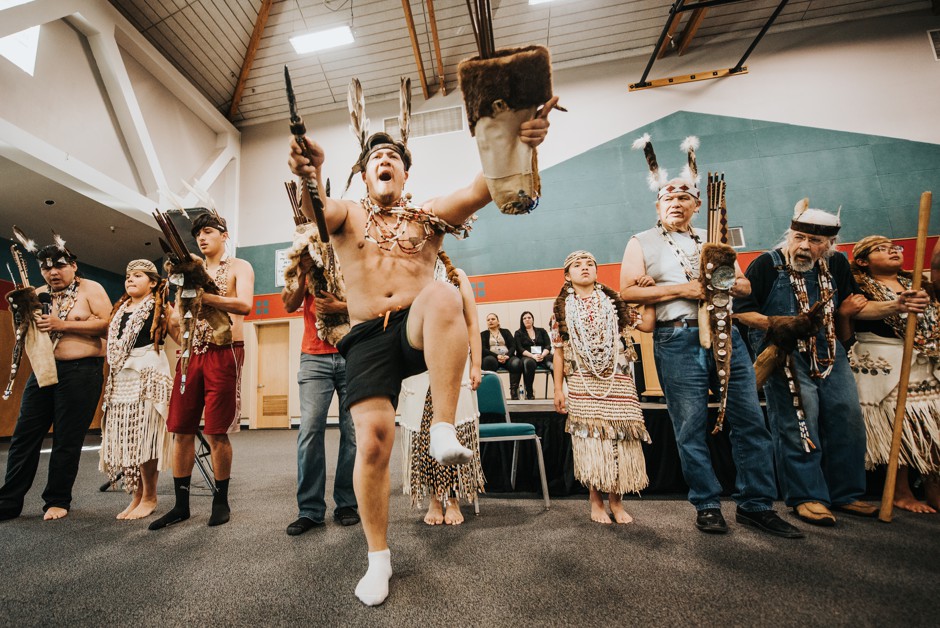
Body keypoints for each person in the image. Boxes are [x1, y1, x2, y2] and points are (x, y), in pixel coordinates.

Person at [288, 78, 554, 605]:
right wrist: (310, 172)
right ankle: (378, 560)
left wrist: (519, 140)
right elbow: (314, 213)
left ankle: (441, 429)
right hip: (365, 338)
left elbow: (486, 187)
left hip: (414, 327)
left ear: (406, 172)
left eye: (393, 157)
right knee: (374, 441)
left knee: (440, 294)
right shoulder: (346, 212)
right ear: (364, 174)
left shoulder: (428, 215)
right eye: (375, 157)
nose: (384, 161)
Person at [620, 134, 802, 538]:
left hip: (726, 335)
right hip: (677, 337)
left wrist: (723, 283)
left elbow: (744, 288)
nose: (676, 203)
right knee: (689, 425)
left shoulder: (714, 240)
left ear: (697, 205)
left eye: (684, 198)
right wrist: (682, 290)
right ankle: (706, 504)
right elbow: (629, 291)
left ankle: (756, 504)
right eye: (668, 199)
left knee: (750, 420)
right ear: (658, 206)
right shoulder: (642, 241)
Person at [734, 201, 926, 526]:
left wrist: (898, 305)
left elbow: (855, 310)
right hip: (784, 351)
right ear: (789, 235)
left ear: (830, 245)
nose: (804, 246)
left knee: (846, 416)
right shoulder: (766, 264)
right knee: (800, 419)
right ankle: (806, 496)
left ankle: (845, 493)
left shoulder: (837, 264)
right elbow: (742, 311)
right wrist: (777, 324)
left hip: (829, 350)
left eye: (814, 241)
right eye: (798, 237)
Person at [149, 212, 255, 530]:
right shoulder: (187, 272)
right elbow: (181, 317)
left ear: (224, 234)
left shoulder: (239, 267)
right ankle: (181, 505)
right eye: (198, 235)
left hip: (224, 352)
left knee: (216, 431)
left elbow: (245, 306)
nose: (203, 238)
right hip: (191, 352)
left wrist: (206, 297)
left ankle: (220, 500)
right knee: (181, 430)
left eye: (209, 231)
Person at [0, 235, 110, 521]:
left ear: (72, 265)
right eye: (47, 268)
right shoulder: (37, 294)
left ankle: (57, 499)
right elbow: (26, 336)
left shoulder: (91, 289)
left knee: (67, 438)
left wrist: (63, 325)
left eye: (59, 266)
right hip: (44, 370)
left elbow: (110, 326)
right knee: (24, 437)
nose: (53, 272)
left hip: (81, 371)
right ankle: (8, 501)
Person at [552, 250, 650, 524]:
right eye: (577, 265)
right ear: (567, 275)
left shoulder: (615, 305)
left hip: (617, 380)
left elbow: (649, 324)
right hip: (583, 382)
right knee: (592, 440)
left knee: (620, 437)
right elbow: (558, 352)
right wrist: (558, 390)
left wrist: (649, 292)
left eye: (590, 264)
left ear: (597, 271)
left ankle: (616, 502)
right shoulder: (561, 310)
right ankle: (596, 501)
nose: (585, 268)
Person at [847, 236, 937, 512]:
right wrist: (898, 304)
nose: (892, 252)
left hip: (923, 360)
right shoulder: (858, 287)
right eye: (881, 249)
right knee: (897, 429)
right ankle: (900, 491)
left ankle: (934, 488)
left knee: (931, 429)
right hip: (882, 363)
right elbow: (861, 311)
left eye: (895, 248)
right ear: (863, 261)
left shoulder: (919, 284)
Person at [281, 229, 359, 535]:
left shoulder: (352, 252)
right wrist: (304, 270)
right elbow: (288, 304)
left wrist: (341, 307)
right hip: (313, 355)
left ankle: (347, 502)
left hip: (352, 350)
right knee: (310, 429)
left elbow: (373, 300)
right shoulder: (304, 253)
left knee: (352, 432)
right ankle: (310, 509)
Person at [399, 251, 484, 526]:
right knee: (425, 434)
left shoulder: (456, 276)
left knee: (455, 429)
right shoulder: (405, 277)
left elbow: (471, 322)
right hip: (418, 367)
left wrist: (476, 365)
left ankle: (454, 498)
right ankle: (435, 498)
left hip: (453, 362)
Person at [98, 260, 173, 520]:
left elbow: (178, 332)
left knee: (144, 437)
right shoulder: (119, 309)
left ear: (153, 282)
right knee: (127, 437)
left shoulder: (160, 306)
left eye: (138, 276)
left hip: (148, 373)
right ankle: (136, 496)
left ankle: (150, 495)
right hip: (121, 377)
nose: (130, 279)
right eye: (128, 276)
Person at [481, 313, 523, 399]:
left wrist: (507, 356)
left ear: (498, 321)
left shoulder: (505, 332)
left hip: (507, 357)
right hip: (492, 357)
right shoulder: (483, 334)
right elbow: (483, 349)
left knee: (516, 362)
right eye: (488, 320)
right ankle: (492, 392)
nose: (490, 321)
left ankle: (514, 391)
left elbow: (513, 346)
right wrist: (497, 356)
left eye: (493, 319)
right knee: (488, 361)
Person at [514, 311, 552, 400]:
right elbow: (520, 349)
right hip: (527, 356)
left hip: (543, 355)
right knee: (528, 363)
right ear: (522, 320)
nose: (527, 319)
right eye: (524, 318)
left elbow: (548, 345)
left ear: (532, 319)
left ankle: (558, 390)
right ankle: (529, 392)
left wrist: (542, 355)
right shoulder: (518, 333)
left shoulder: (541, 331)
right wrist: (533, 356)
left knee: (553, 360)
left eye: (529, 317)